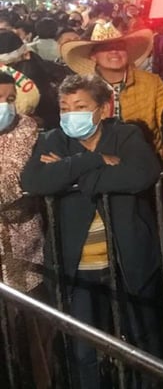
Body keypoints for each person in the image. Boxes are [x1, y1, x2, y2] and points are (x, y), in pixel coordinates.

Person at [21, 74, 163, 388]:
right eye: (65, 107)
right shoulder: (51, 140)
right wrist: (92, 161)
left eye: (80, 106)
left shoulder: (126, 135)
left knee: (141, 345)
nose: (71, 114)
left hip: (129, 261)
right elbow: (33, 182)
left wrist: (70, 175)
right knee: (82, 351)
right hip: (76, 269)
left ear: (101, 109)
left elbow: (142, 174)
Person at [0, 71, 51, 388]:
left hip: (24, 256)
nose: (5, 106)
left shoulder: (25, 127)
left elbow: (12, 179)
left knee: (34, 344)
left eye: (8, 99)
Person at [61, 21, 163, 148]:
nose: (114, 51)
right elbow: (73, 129)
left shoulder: (151, 82)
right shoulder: (81, 88)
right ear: (93, 56)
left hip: (145, 155)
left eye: (119, 46)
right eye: (105, 48)